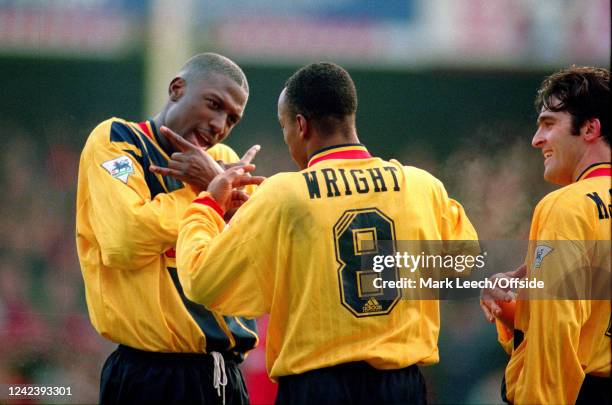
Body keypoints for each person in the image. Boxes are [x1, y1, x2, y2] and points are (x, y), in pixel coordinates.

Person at [172, 62, 478, 404]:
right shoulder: (422, 186)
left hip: (317, 387)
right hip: (401, 385)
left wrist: (207, 204)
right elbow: (462, 267)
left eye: (284, 126)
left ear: (300, 125)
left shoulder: (284, 195)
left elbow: (203, 282)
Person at [76, 53, 262, 405]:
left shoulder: (223, 158)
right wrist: (208, 195)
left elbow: (252, 256)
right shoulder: (117, 141)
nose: (220, 124)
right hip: (149, 374)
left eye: (232, 118)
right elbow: (123, 239)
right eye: (214, 104)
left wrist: (226, 199)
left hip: (226, 376)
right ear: (177, 88)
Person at [481, 66, 611, 404]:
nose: (536, 140)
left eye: (548, 124)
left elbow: (557, 331)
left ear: (589, 128)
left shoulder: (567, 207)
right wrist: (516, 312)